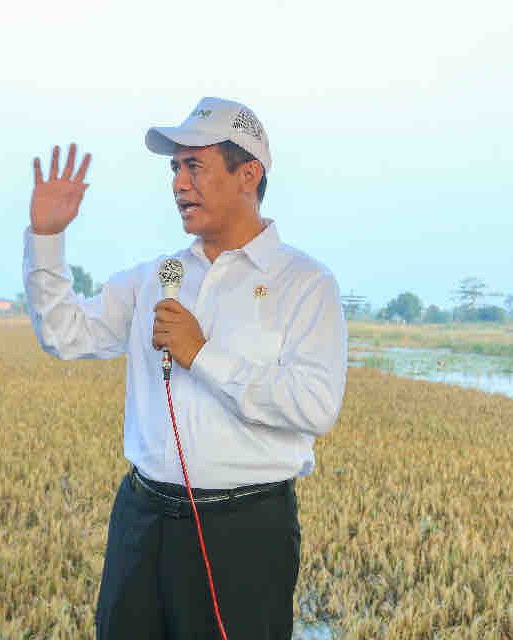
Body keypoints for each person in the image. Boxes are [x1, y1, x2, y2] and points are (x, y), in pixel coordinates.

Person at [23, 97, 347, 640]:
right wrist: (47, 238)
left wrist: (203, 353)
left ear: (249, 174)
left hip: (244, 532)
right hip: (142, 519)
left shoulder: (304, 282)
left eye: (194, 166)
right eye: (175, 168)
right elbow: (64, 334)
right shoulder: (156, 276)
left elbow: (315, 405)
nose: (178, 184)